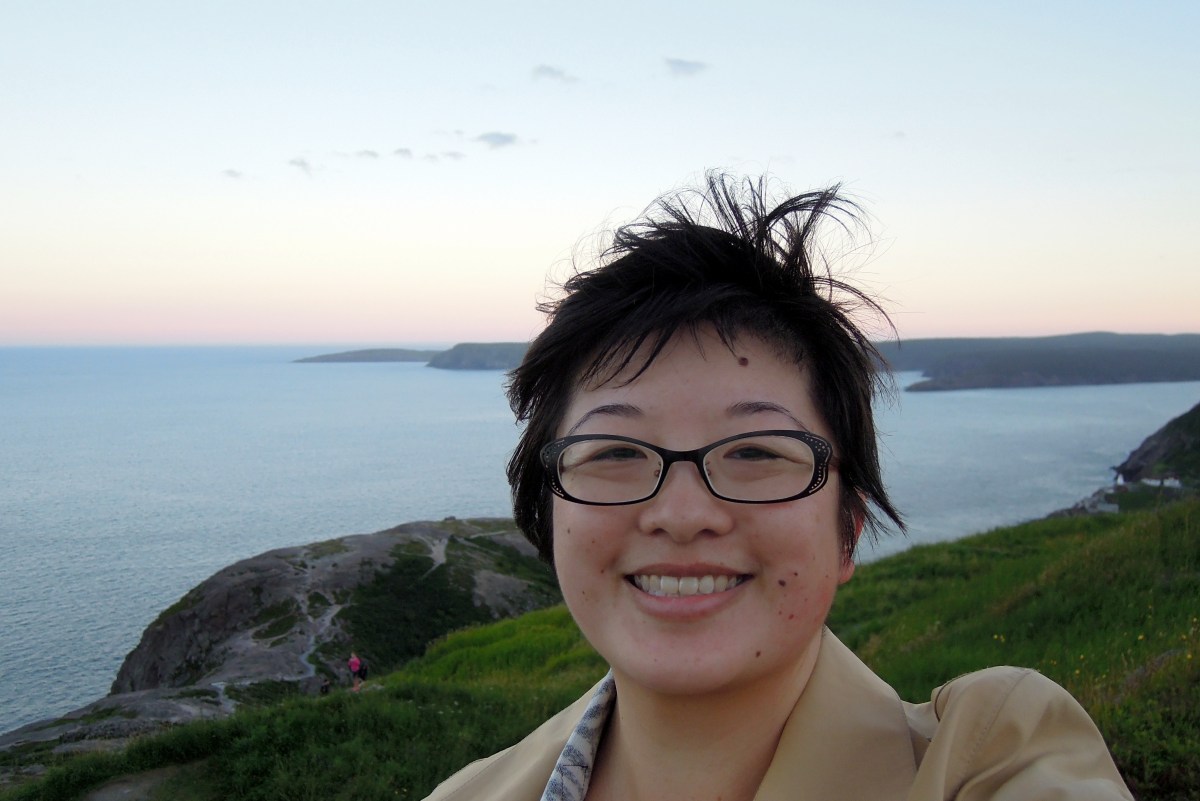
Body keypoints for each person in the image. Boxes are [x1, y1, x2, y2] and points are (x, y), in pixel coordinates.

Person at [424, 173, 1132, 800]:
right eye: (614, 451)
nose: (682, 513)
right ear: (548, 512)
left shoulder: (988, 758)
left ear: (848, 528)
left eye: (756, 451)